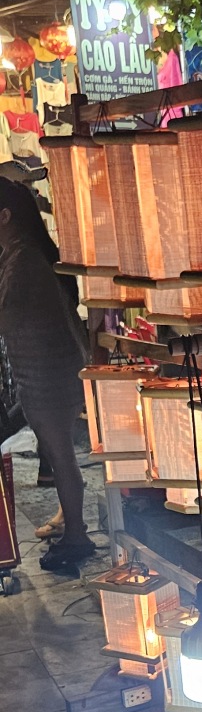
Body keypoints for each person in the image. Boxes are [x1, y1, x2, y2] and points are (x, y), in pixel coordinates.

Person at [0, 177, 95, 570]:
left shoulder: (24, 261)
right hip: (44, 371)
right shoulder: (21, 253)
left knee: (60, 456)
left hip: (49, 375)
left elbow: (9, 314)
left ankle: (77, 535)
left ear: (5, 216)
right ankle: (71, 524)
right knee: (58, 456)